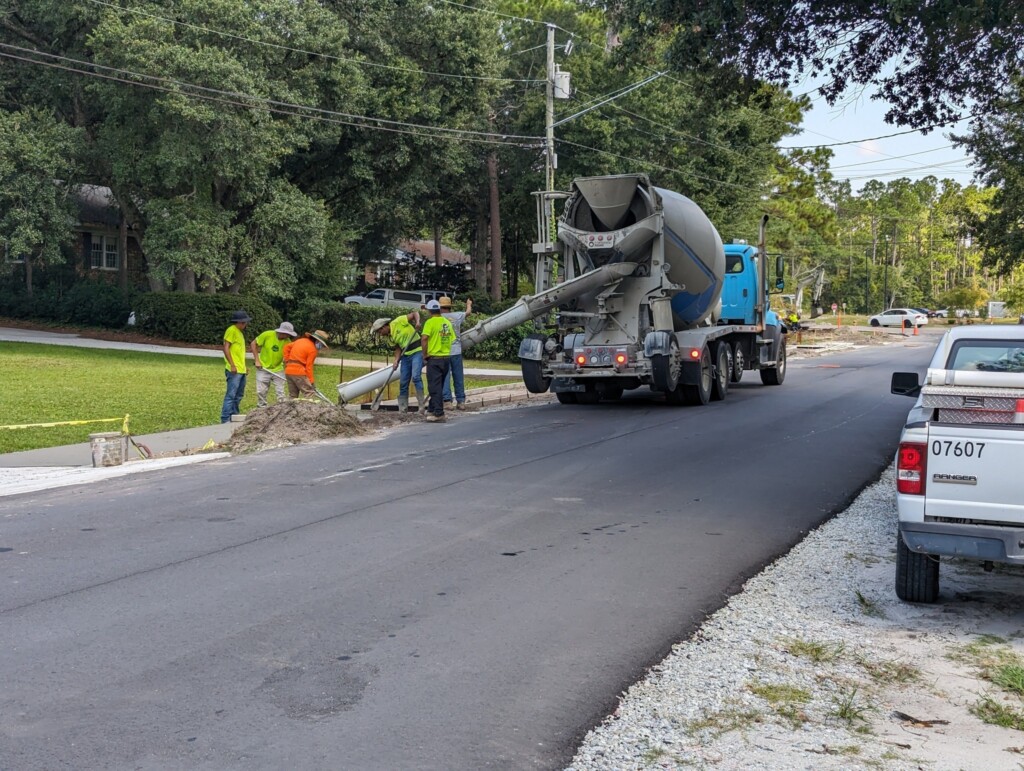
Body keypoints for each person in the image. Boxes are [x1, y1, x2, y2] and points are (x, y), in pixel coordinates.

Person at [370, 310, 424, 412]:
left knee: (416, 377)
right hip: (406, 356)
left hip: (417, 351)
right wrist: (396, 360)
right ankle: (403, 409)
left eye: (379, 331)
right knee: (403, 382)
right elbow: (398, 348)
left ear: (384, 327)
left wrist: (417, 322)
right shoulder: (389, 337)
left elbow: (414, 313)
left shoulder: (398, 321)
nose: (380, 334)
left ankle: (421, 405)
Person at [420, 299, 456, 422]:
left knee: (434, 387)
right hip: (446, 358)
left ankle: (439, 413)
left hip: (434, 358)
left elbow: (424, 339)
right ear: (439, 309)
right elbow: (452, 339)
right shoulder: (446, 322)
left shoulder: (430, 323)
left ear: (429, 311)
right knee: (438, 385)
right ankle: (431, 408)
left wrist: (424, 354)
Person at [250, 321, 297, 407]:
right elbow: (253, 343)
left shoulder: (288, 342)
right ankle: (261, 409)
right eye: (287, 334)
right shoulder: (267, 335)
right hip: (263, 368)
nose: (288, 336)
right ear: (282, 332)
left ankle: (281, 409)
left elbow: (288, 357)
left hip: (278, 369)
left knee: (280, 392)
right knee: (261, 391)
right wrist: (257, 360)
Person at [440, 296, 472, 410]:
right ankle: (461, 401)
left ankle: (447, 401)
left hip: (444, 352)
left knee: (445, 377)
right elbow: (468, 313)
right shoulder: (457, 316)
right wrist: (468, 304)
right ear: (449, 307)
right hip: (456, 351)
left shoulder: (438, 318)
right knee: (458, 376)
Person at [221, 309, 250, 423]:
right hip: (234, 369)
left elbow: (239, 352)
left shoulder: (240, 333)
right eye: (244, 322)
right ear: (239, 322)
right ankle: (225, 419)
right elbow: (226, 348)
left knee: (239, 395)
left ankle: (234, 415)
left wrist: (244, 366)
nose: (245, 324)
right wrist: (232, 364)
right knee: (231, 395)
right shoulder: (231, 330)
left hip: (241, 369)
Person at [282, 329, 330, 399]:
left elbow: (286, 347)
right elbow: (309, 368)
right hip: (299, 372)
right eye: (322, 345)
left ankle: (290, 409)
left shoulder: (301, 340)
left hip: (288, 371)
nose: (321, 347)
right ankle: (307, 410)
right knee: (309, 393)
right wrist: (312, 382)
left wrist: (287, 361)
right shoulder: (313, 350)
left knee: (293, 395)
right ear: (317, 341)